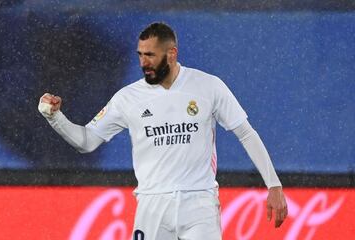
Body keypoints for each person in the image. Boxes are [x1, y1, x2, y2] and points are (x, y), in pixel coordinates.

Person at [38, 22, 287, 240]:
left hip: (199, 204)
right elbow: (87, 141)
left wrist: (273, 185)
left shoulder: (208, 86)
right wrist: (55, 117)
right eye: (140, 55)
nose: (143, 63)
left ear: (172, 53)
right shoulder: (128, 98)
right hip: (152, 205)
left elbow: (246, 133)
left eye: (150, 55)